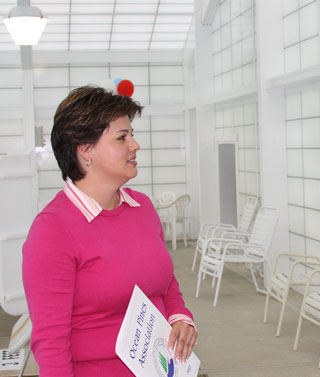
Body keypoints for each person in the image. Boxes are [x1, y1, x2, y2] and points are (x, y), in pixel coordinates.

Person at [22, 86, 198, 376]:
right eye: (122, 137)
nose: (135, 144)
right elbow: (51, 345)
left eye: (132, 134)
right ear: (85, 150)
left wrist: (180, 317)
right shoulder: (52, 231)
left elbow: (165, 283)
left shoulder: (142, 207)